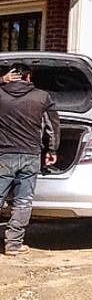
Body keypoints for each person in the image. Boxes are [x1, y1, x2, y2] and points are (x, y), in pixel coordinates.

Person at [0, 64, 59, 256]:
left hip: (3, 155)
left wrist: (1, 81)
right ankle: (14, 244)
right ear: (28, 78)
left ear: (11, 76)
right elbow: (52, 125)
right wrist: (52, 149)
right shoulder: (42, 97)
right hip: (30, 154)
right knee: (23, 201)